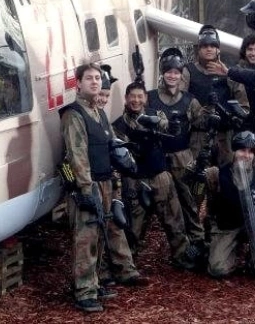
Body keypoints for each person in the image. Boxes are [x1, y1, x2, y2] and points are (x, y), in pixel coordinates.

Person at [60, 63, 148, 313]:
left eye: (98, 78)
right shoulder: (73, 114)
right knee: (85, 239)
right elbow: (77, 155)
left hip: (105, 182)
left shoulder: (98, 113)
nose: (95, 82)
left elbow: (112, 148)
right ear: (78, 83)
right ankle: (84, 291)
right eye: (89, 78)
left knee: (99, 237)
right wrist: (86, 190)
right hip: (87, 186)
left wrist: (116, 184)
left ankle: (94, 284)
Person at [112, 82, 200, 270]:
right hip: (135, 179)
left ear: (145, 98)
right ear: (126, 99)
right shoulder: (119, 125)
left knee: (173, 218)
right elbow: (119, 154)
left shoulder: (155, 116)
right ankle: (128, 262)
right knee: (134, 223)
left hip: (160, 174)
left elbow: (167, 127)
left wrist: (174, 126)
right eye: (132, 96)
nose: (136, 100)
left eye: (140, 96)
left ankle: (181, 255)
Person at [146, 52, 212, 265]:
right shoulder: (151, 97)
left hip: (183, 156)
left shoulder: (188, 100)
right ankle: (178, 248)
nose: (172, 76)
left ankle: (197, 243)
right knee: (166, 205)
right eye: (168, 72)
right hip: (158, 157)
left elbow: (201, 123)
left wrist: (212, 108)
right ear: (163, 74)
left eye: (176, 72)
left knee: (190, 202)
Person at [201, 130, 255, 278]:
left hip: (252, 226)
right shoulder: (217, 174)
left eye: (250, 151)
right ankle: (229, 250)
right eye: (242, 150)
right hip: (227, 225)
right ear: (234, 151)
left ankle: (254, 258)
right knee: (217, 270)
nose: (246, 155)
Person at [183, 25, 250, 166]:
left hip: (224, 136)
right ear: (198, 49)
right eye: (205, 46)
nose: (209, 49)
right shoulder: (188, 71)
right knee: (199, 178)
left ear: (218, 49)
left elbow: (243, 105)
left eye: (213, 46)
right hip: (199, 136)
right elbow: (182, 102)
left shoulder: (229, 72)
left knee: (226, 176)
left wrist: (236, 116)